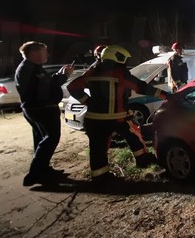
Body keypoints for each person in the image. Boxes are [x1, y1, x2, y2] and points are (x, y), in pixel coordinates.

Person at [67, 45, 169, 182]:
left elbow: (72, 86)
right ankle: (143, 160)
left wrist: (87, 101)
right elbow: (141, 87)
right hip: (118, 117)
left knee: (98, 148)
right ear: (117, 57)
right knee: (134, 137)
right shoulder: (119, 73)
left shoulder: (93, 72)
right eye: (124, 58)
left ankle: (100, 176)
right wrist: (165, 95)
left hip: (94, 119)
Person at [15, 41, 74, 186]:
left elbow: (46, 84)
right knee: (51, 138)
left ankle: (44, 170)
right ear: (34, 53)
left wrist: (60, 75)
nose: (47, 54)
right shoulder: (28, 69)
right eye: (44, 51)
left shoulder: (34, 68)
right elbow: (44, 89)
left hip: (39, 108)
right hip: (41, 109)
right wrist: (63, 76)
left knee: (42, 140)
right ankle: (34, 175)